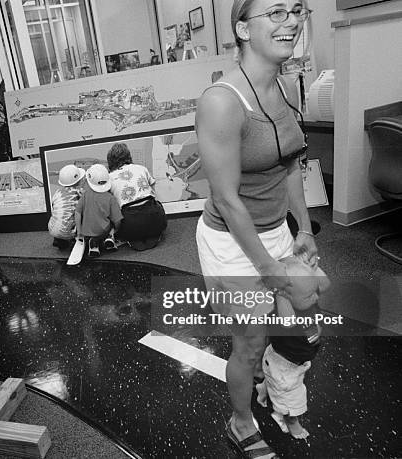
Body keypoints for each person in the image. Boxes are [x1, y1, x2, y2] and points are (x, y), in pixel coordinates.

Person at [194, 1, 317, 457]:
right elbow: (226, 198)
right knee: (249, 342)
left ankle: (269, 386)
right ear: (243, 28)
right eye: (278, 11)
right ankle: (240, 422)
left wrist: (303, 229)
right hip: (231, 240)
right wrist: (266, 267)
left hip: (274, 229)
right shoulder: (223, 102)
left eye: (297, 10)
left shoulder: (286, 87)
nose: (292, 20)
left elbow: (290, 166)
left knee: (288, 323)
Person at [256, 256, 330, 440]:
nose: (316, 296)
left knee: (276, 384)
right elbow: (288, 322)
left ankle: (262, 390)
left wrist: (314, 268)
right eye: (310, 295)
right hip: (284, 365)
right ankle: (291, 422)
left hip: (294, 361)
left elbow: (325, 285)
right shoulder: (284, 309)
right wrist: (280, 293)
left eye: (314, 290)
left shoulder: (305, 294)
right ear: (285, 295)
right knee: (291, 397)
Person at [107, 143, 167, 251]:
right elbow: (153, 188)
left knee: (123, 221)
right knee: (156, 207)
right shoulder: (141, 168)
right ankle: (154, 233)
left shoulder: (110, 178)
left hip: (130, 223)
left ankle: (133, 237)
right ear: (129, 156)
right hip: (155, 218)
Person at [75, 164, 123, 257]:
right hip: (103, 231)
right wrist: (116, 230)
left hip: (86, 232)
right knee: (112, 223)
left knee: (94, 233)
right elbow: (118, 220)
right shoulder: (110, 198)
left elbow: (77, 213)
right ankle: (110, 237)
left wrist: (79, 232)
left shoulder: (85, 195)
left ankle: (94, 245)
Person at [48, 164, 85, 249]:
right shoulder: (79, 192)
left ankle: (58, 239)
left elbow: (54, 208)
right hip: (69, 232)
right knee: (81, 214)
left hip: (52, 229)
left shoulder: (57, 192)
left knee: (60, 214)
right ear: (77, 180)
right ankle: (73, 239)